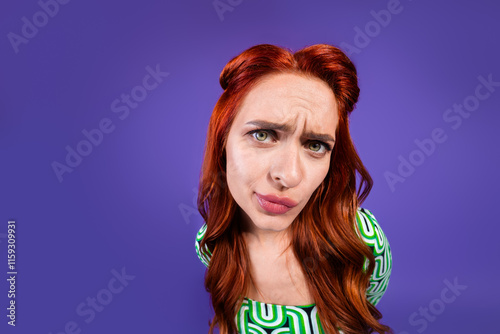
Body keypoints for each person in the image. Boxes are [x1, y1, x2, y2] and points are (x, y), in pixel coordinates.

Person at [194, 43, 392, 334]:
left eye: (315, 145)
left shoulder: (361, 242)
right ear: (223, 140)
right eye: (262, 135)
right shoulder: (212, 242)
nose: (287, 175)